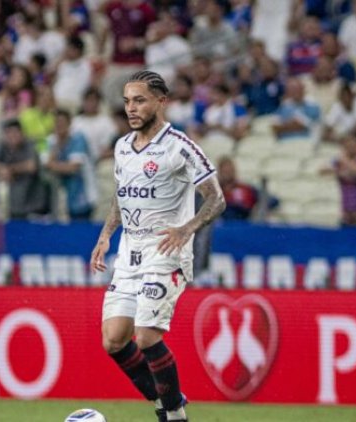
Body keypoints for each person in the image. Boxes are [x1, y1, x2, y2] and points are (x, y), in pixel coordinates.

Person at [90, 70, 225, 422]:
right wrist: (106, 235)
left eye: (139, 100)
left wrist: (187, 228)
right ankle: (165, 401)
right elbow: (121, 197)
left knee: (147, 335)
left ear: (161, 102)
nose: (131, 108)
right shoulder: (122, 147)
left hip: (165, 250)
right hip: (129, 251)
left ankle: (174, 415)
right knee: (114, 340)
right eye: (127, 101)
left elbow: (216, 199)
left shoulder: (179, 146)